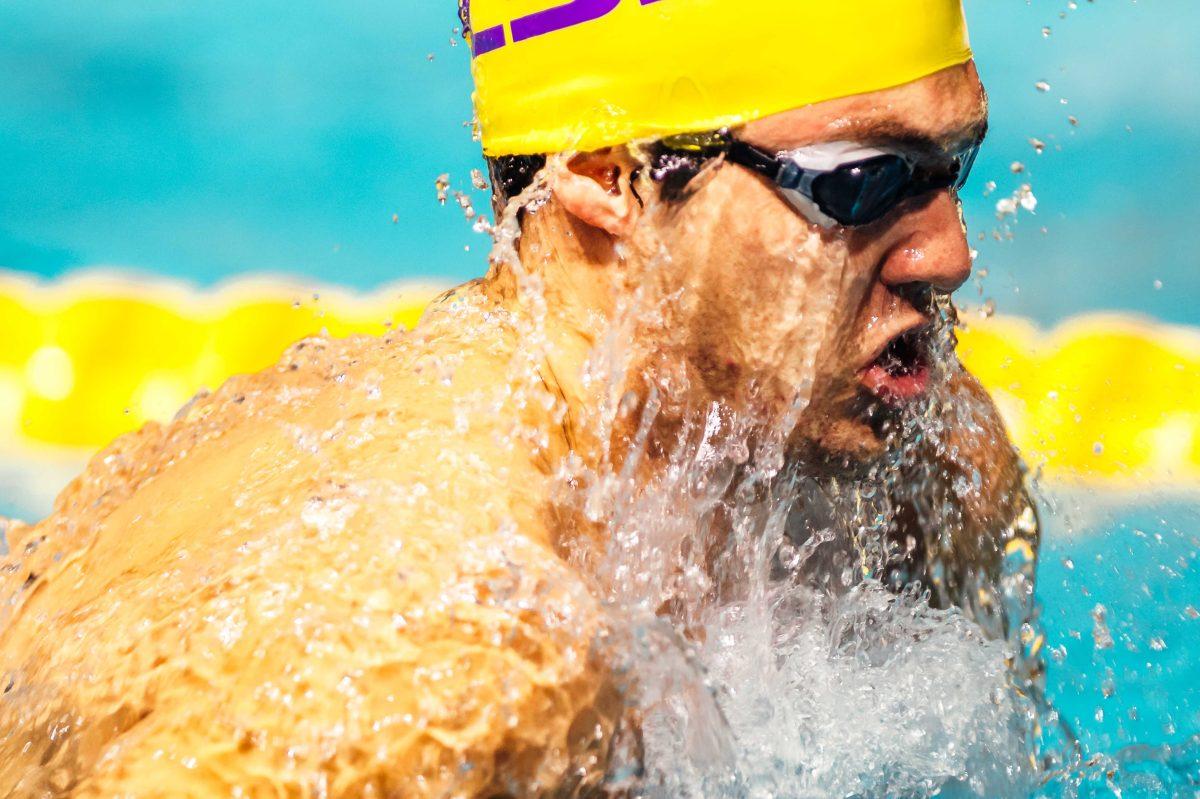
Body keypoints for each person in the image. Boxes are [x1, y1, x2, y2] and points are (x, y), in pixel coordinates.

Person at [0, 0, 1038, 795]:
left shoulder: (925, 467)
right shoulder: (441, 653)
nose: (950, 254)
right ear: (606, 175)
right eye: (862, 181)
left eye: (954, 166)